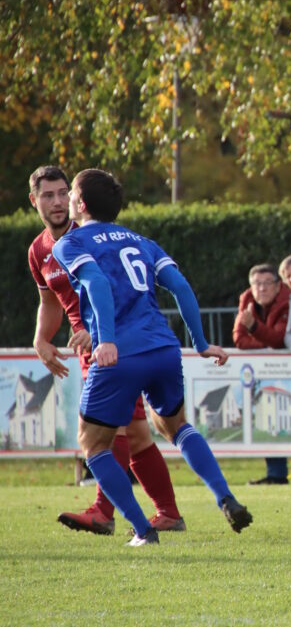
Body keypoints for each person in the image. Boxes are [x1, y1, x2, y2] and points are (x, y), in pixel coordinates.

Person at [50, 168, 251, 546]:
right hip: (163, 348)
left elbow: (97, 282)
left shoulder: (71, 242)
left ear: (81, 203)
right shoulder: (141, 241)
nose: (67, 201)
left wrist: (106, 340)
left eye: (70, 193)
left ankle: (143, 531)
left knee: (93, 446)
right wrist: (201, 342)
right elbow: (181, 286)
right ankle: (225, 496)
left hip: (121, 355)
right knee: (175, 426)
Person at [27, 165, 185, 536]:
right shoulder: (39, 250)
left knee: (112, 431)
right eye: (48, 195)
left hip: (114, 346)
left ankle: (104, 511)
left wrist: (95, 331)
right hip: (97, 348)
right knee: (134, 431)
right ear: (34, 201)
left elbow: (118, 290)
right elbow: (50, 301)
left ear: (75, 197)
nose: (58, 202)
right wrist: (41, 339)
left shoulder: (90, 235)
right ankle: (167, 513)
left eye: (63, 193)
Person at [233, 264, 291, 485]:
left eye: (267, 283)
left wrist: (255, 328)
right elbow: (239, 339)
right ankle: (276, 474)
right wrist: (266, 344)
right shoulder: (247, 299)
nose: (262, 288)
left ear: (278, 286)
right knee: (270, 418)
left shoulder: (287, 300)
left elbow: (280, 338)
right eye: (257, 283)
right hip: (269, 371)